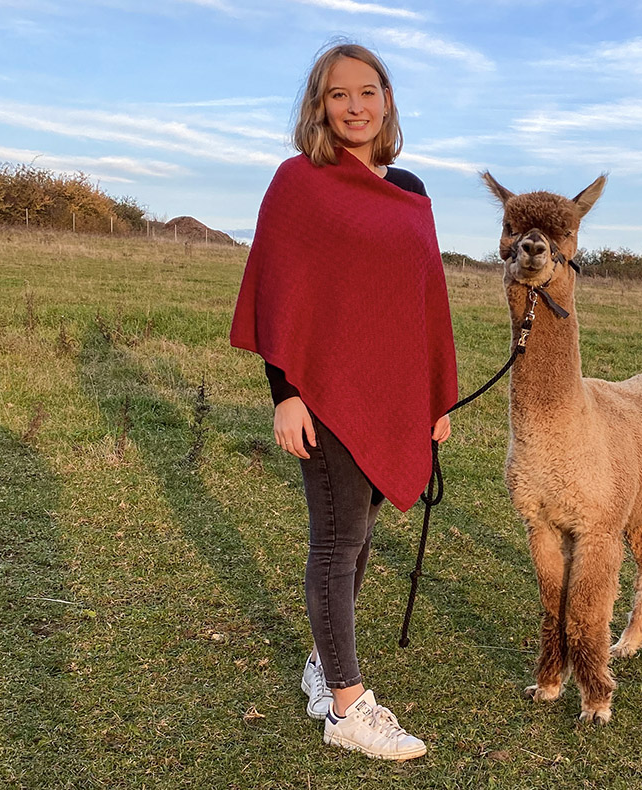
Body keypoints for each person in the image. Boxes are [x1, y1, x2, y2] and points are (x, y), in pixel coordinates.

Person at [230, 42, 457, 761]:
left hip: (392, 395)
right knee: (336, 538)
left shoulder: (412, 189)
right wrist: (285, 393)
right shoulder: (300, 183)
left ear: (387, 100)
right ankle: (347, 707)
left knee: (357, 535)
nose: (354, 106)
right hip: (320, 393)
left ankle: (324, 668)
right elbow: (278, 290)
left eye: (367, 92)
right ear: (319, 106)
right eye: (338, 95)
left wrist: (433, 398)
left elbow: (422, 300)